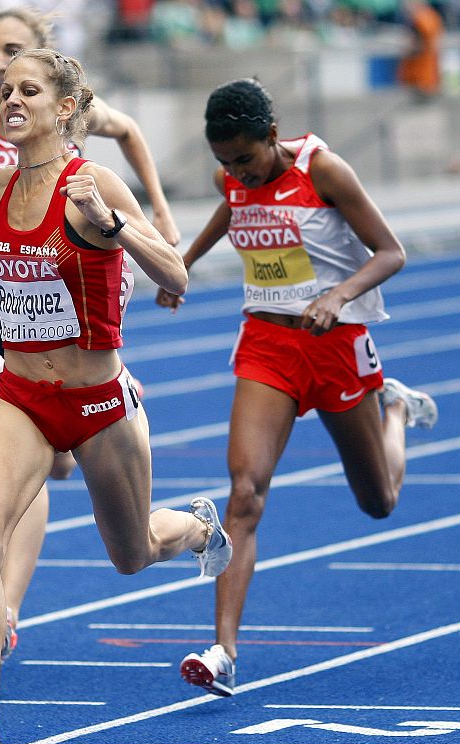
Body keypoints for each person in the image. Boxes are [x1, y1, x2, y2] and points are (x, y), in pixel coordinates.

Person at [0, 47, 232, 744]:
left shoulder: (92, 180)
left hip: (98, 399)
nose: (9, 101)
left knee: (132, 553)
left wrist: (112, 226)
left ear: (65, 108)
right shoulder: (8, 182)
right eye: (3, 91)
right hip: (21, 397)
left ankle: (198, 527)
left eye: (27, 91)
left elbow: (174, 272)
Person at [0, 5, 180, 663]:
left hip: (78, 289)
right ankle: (7, 609)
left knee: (122, 544)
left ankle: (172, 517)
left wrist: (153, 222)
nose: (3, 74)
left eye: (16, 58)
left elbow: (131, 135)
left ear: (59, 95)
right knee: (24, 471)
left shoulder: (75, 121)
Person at [156, 78, 438, 698]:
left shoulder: (324, 170)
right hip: (266, 344)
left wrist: (337, 296)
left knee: (380, 502)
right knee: (245, 493)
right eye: (224, 161)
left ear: (273, 138)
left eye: (246, 159)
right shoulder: (232, 177)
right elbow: (231, 212)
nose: (237, 173)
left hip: (336, 346)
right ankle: (224, 652)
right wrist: (184, 266)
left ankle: (392, 409)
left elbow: (391, 252)